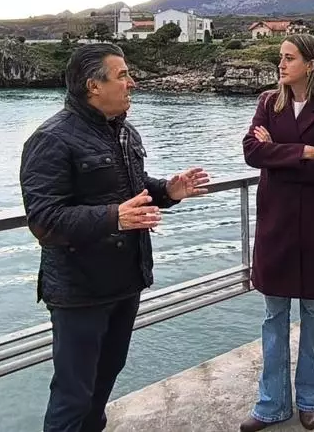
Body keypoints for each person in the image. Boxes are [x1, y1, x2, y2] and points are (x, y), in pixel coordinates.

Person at [20, 43, 210, 432]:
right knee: (73, 396)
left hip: (125, 281)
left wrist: (168, 191)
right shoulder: (51, 139)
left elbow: (133, 189)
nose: (132, 83)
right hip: (80, 291)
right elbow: (43, 219)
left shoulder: (124, 131)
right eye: (122, 75)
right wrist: (113, 217)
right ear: (94, 85)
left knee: (104, 381)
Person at [239, 34, 314, 432]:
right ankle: (271, 404)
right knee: (274, 315)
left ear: (311, 64)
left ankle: (309, 398)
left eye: (289, 58)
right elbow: (252, 152)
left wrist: (278, 153)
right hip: (276, 224)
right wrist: (302, 151)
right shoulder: (269, 101)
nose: (281, 64)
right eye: (280, 58)